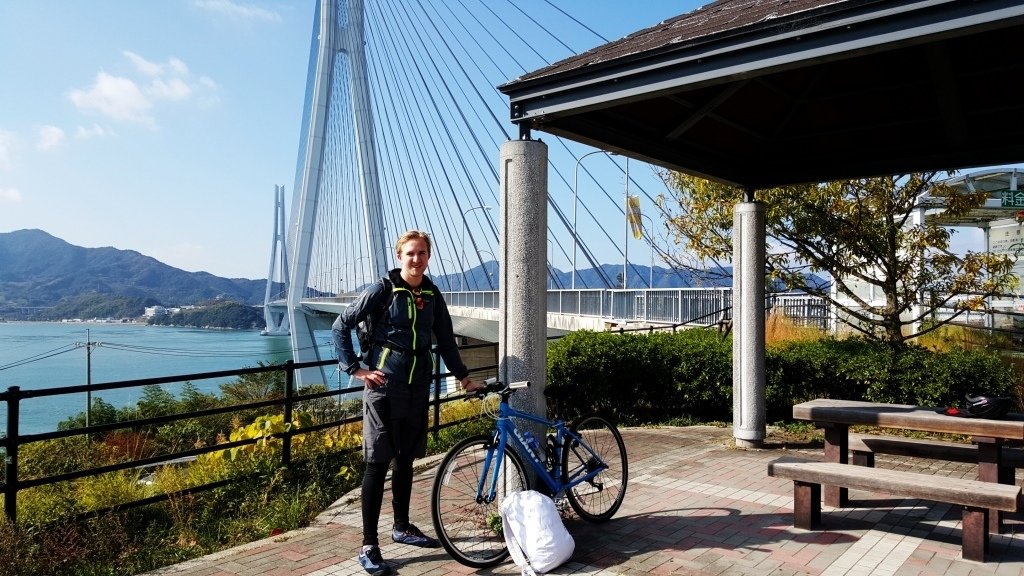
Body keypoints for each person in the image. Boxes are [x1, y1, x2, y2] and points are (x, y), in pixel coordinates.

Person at [333, 230, 480, 576]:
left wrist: (462, 376)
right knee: (377, 463)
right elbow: (341, 325)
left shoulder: (432, 293)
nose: (417, 259)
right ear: (400, 256)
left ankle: (402, 526)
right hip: (384, 387)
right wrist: (356, 369)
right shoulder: (382, 291)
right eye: (411, 253)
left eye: (423, 253)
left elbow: (444, 338)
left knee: (406, 459)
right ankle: (369, 545)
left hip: (418, 387)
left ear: (429, 257)